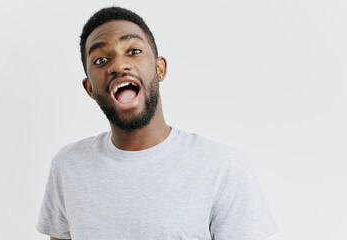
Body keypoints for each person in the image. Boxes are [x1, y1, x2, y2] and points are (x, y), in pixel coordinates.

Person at [37, 6, 278, 240]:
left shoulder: (223, 168)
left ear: (159, 68)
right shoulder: (67, 166)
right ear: (90, 88)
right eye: (100, 60)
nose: (119, 65)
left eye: (133, 51)